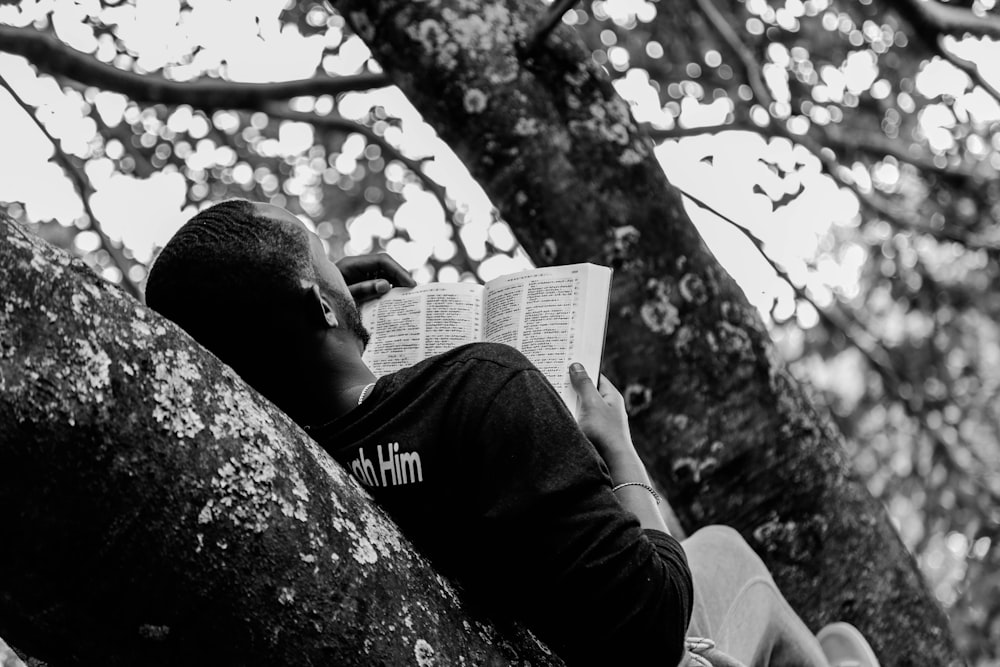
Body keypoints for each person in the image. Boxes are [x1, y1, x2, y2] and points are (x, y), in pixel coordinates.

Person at [145, 199, 881, 667]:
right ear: (319, 300)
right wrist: (618, 449)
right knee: (720, 551)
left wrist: (334, 317)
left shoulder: (287, 480)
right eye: (318, 244)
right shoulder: (480, 387)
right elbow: (652, 624)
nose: (335, 252)